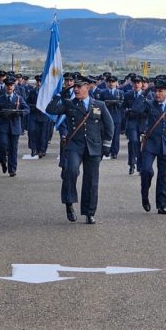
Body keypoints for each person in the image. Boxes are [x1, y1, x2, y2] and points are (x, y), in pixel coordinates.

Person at [47, 77, 114, 224]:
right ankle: (69, 202)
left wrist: (106, 146)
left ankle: (89, 212)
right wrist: (58, 96)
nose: (76, 89)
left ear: (87, 87)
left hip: (93, 147)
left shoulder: (99, 105)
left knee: (91, 180)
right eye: (74, 87)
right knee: (70, 171)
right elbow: (50, 110)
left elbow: (109, 125)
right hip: (74, 146)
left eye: (79, 87)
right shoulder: (69, 104)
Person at [132, 78, 166, 214]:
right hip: (150, 144)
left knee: (163, 176)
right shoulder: (149, 104)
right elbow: (136, 110)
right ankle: (145, 194)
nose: (157, 94)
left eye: (160, 91)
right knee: (146, 171)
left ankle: (161, 205)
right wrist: (144, 93)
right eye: (156, 91)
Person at [0, 75, 28, 176]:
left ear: (14, 86)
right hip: (3, 127)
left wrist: (20, 113)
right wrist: (0, 113)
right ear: (5, 86)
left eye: (11, 85)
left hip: (15, 127)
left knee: (13, 149)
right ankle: (3, 161)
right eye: (7, 85)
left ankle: (12, 170)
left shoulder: (18, 98)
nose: (9, 87)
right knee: (2, 145)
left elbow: (26, 109)